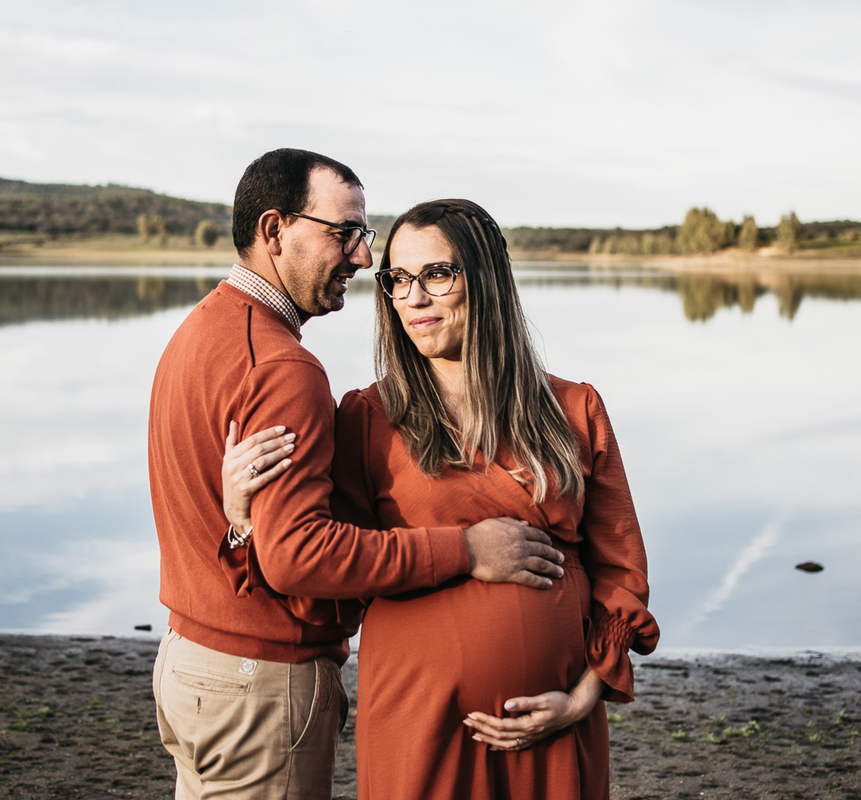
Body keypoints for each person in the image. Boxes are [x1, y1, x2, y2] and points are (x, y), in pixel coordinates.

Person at [148, 151, 568, 800]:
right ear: (274, 230)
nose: (362, 258)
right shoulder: (283, 369)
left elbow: (232, 527)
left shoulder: (199, 331)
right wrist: (464, 548)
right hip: (257, 680)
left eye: (363, 236)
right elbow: (297, 556)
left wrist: (238, 524)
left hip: (191, 663)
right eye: (343, 233)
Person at [222, 198, 659, 799]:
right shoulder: (370, 419)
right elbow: (320, 584)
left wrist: (584, 697)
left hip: (556, 726)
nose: (414, 299)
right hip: (419, 724)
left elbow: (621, 567)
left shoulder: (575, 410)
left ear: (486, 280)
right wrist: (246, 520)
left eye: (437, 274)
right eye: (398, 280)